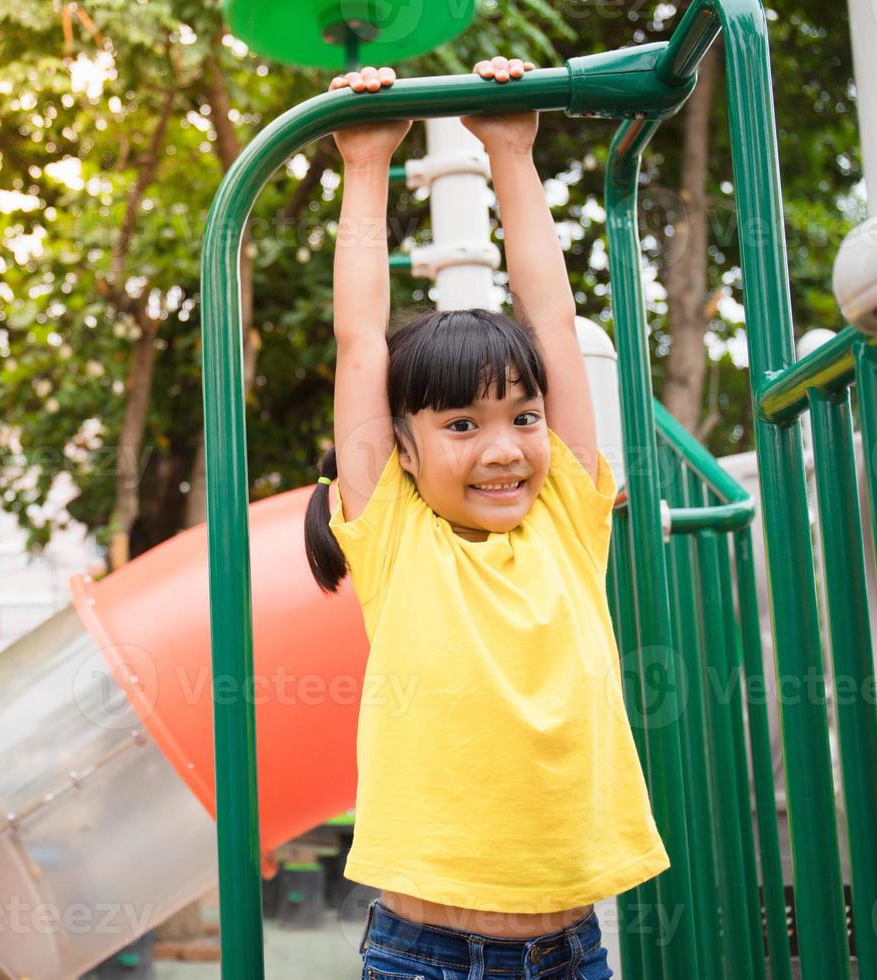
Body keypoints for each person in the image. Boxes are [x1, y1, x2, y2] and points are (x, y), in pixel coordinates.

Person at [303, 57, 670, 979]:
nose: (503, 448)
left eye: (524, 417)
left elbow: (552, 319)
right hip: (424, 954)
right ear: (403, 448)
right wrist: (365, 164)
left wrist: (510, 151)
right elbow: (359, 346)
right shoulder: (396, 535)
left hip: (569, 950)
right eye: (461, 424)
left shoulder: (566, 516)